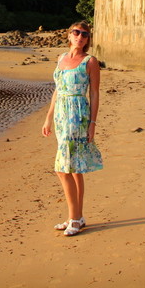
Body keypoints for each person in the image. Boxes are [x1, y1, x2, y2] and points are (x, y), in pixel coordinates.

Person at [41, 21, 103, 237]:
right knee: (74, 168)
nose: (80, 37)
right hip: (61, 115)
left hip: (77, 115)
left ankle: (74, 219)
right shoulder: (61, 59)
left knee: (63, 168)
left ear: (88, 39)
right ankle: (76, 216)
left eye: (85, 34)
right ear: (69, 35)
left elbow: (94, 94)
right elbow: (57, 90)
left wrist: (92, 124)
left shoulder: (90, 61)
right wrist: (48, 118)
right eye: (76, 32)